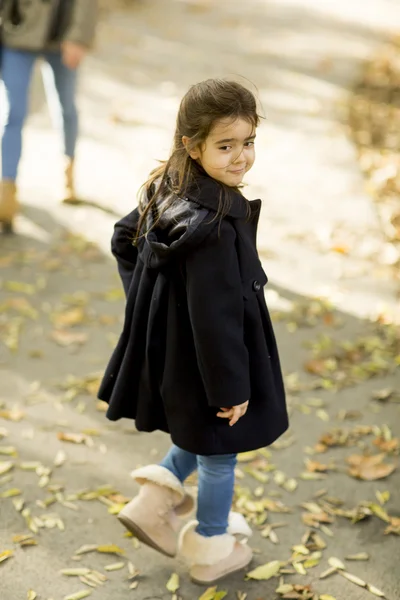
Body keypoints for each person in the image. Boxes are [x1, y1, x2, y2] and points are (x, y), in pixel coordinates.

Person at [98, 79, 289, 584]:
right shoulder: (217, 226)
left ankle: (153, 501)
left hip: (180, 354)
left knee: (199, 431)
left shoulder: (169, 185)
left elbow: (124, 239)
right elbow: (217, 317)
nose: (241, 157)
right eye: (225, 146)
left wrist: (152, 305)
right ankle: (210, 545)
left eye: (248, 142)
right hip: (212, 360)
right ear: (193, 144)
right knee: (220, 450)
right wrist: (233, 388)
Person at [0, 0, 98, 232]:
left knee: (65, 107)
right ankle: (6, 191)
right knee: (12, 112)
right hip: (18, 33)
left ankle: (68, 172)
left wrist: (79, 38)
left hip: (63, 36)